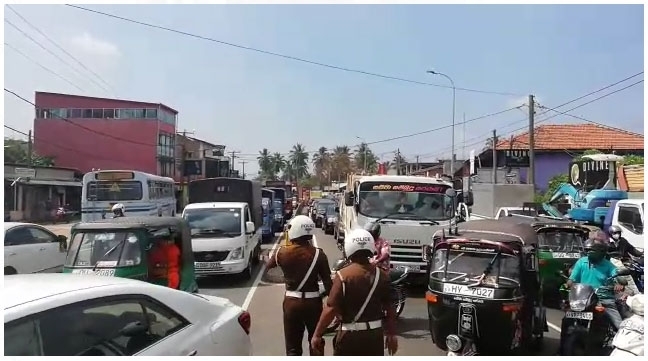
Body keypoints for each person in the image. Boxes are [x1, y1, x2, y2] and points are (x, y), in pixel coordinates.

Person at [311, 228, 398, 356]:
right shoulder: (382, 275)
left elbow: (330, 309)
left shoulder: (343, 276)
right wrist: (392, 334)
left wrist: (317, 334)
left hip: (350, 337)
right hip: (374, 337)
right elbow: (390, 308)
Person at [266, 215, 332, 356]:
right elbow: (329, 285)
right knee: (316, 343)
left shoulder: (282, 252)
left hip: (291, 302)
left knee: (293, 348)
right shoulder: (319, 255)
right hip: (313, 303)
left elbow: (268, 268)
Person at [565, 233, 624, 330]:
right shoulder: (582, 262)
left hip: (603, 298)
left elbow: (617, 276)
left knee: (619, 326)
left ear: (601, 251)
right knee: (567, 319)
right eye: (587, 250)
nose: (588, 252)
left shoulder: (608, 265)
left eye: (592, 250)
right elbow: (572, 278)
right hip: (582, 298)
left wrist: (619, 283)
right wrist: (569, 284)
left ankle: (620, 340)